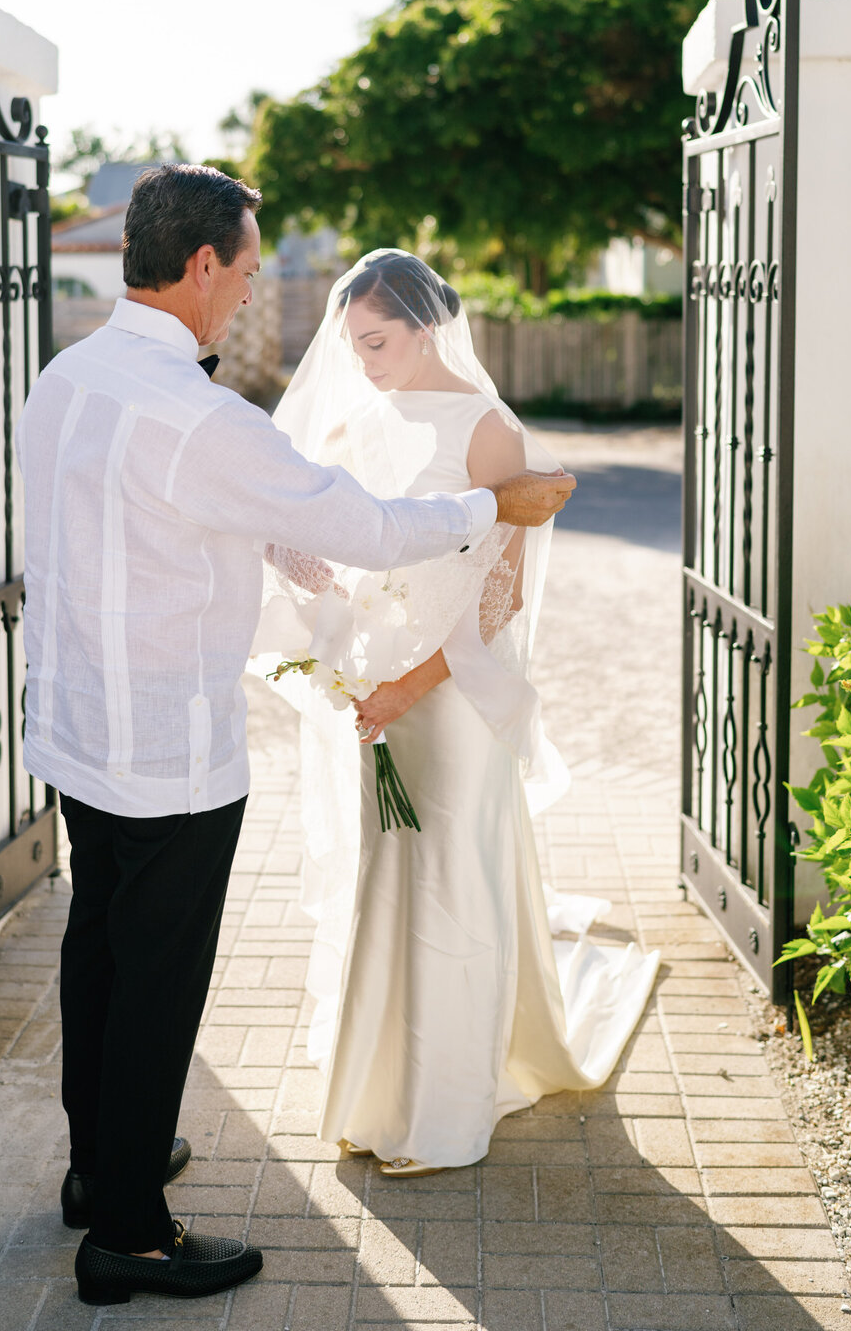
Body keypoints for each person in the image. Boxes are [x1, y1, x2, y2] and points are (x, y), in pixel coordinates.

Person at [15, 169, 577, 1306]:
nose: (255, 293)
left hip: (77, 731)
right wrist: (493, 509)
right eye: (253, 269)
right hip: (165, 750)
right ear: (206, 265)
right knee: (156, 986)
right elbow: (365, 528)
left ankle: (99, 1166)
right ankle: (129, 1233)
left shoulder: (67, 378)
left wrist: (268, 549)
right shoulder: (197, 412)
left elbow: (149, 515)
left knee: (99, 955)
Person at [254, 251, 658, 1177]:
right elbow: (341, 535)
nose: (362, 360)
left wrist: (409, 683)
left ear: (425, 328)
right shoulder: (358, 417)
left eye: (378, 341)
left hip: (454, 695)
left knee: (449, 880)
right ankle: (382, 1085)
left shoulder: (487, 429)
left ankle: (444, 1105)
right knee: (388, 874)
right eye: (352, 344)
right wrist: (319, 601)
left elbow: (499, 598)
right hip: (375, 681)